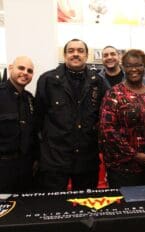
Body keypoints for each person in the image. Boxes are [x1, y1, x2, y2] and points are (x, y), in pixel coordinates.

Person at [35, 39, 108, 191]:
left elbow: (104, 119)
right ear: (64, 55)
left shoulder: (98, 82)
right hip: (55, 160)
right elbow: (38, 119)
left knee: (86, 207)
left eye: (80, 51)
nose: (75, 54)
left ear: (87, 55)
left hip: (87, 159)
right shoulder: (47, 80)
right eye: (71, 51)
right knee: (53, 208)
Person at [99, 49, 145, 188]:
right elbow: (107, 130)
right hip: (123, 169)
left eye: (138, 65)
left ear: (144, 66)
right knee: (128, 208)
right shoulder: (114, 94)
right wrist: (134, 155)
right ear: (123, 67)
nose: (134, 69)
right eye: (129, 65)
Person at [0, 56, 37, 193]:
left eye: (29, 70)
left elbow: (33, 134)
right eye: (21, 68)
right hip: (3, 168)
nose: (25, 73)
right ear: (10, 68)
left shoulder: (30, 99)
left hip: (26, 168)